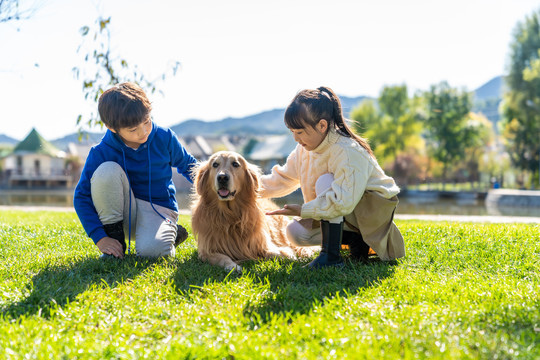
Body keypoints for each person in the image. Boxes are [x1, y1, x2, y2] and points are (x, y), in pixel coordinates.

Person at [263, 86, 405, 269]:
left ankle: (331, 257)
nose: (296, 139)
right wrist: (244, 186)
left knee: (325, 181)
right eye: (292, 132)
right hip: (344, 211)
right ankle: (357, 241)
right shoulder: (304, 150)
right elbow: (282, 178)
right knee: (295, 233)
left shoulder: (347, 151)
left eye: (300, 132)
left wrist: (302, 210)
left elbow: (343, 200)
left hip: (370, 213)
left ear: (322, 125)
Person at [74, 82, 198, 259]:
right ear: (112, 128)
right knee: (106, 171)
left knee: (154, 254)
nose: (144, 131)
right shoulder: (101, 152)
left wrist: (215, 185)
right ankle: (115, 246)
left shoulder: (165, 137)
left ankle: (170, 233)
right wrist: (100, 238)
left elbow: (189, 165)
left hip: (159, 210)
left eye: (147, 121)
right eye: (133, 129)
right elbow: (81, 196)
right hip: (123, 214)